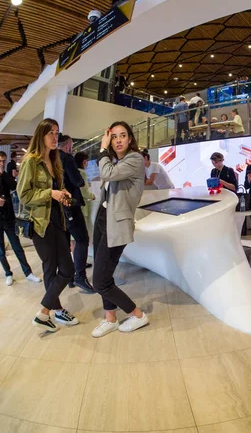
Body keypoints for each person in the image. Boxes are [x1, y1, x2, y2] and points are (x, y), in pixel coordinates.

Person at [17, 118, 79, 333]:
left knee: (68, 269)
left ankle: (44, 312)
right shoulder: (31, 162)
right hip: (40, 223)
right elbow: (23, 195)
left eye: (57, 133)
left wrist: (62, 194)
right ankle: (57, 311)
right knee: (50, 269)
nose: (55, 137)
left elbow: (56, 189)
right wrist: (50, 193)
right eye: (51, 133)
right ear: (41, 135)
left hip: (57, 220)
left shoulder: (55, 160)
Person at [91, 121, 149, 338]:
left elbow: (106, 173)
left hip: (115, 225)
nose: (117, 140)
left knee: (99, 281)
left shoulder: (134, 159)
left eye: (122, 135)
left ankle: (138, 314)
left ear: (130, 138)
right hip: (103, 220)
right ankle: (110, 318)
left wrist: (102, 149)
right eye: (113, 136)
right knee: (103, 275)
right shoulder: (119, 161)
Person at [0, 151, 41, 287]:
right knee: (1, 250)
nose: (1, 163)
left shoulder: (6, 177)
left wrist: (6, 176)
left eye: (3, 161)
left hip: (8, 219)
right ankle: (8, 273)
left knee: (17, 246)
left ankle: (28, 273)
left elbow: (15, 187)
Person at [58, 134, 94, 293]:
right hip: (71, 204)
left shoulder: (51, 159)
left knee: (67, 242)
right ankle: (80, 276)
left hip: (59, 207)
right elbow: (78, 181)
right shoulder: (67, 158)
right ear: (67, 145)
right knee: (82, 239)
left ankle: (70, 277)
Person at [75, 151, 96, 242]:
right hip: (83, 205)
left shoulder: (75, 172)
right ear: (83, 161)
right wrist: (92, 196)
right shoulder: (82, 173)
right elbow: (84, 191)